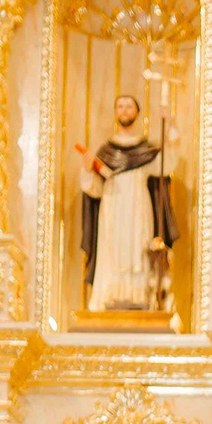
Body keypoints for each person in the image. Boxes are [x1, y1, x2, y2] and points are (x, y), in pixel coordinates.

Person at [80, 92, 176, 314]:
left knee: (137, 250)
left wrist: (170, 125)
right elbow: (94, 190)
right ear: (115, 112)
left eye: (129, 106)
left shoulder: (146, 151)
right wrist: (87, 171)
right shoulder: (105, 151)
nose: (124, 110)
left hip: (138, 207)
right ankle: (109, 298)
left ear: (138, 113)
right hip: (112, 207)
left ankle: (138, 298)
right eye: (120, 106)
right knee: (113, 251)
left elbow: (167, 164)